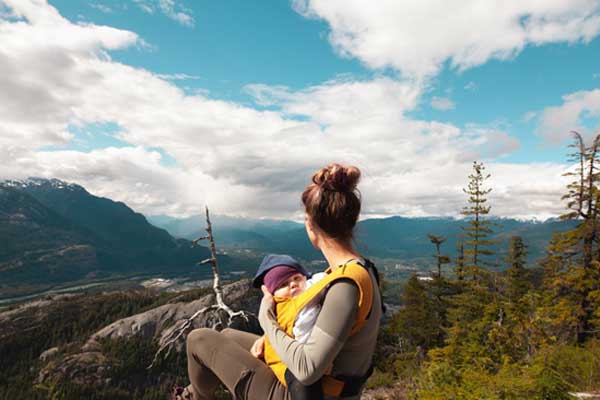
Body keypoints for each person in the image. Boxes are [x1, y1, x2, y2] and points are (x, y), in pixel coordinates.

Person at [178, 163, 383, 400]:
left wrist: (267, 318)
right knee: (228, 336)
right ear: (352, 221)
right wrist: (269, 338)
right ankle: (192, 392)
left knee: (199, 338)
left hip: (307, 393)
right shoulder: (359, 270)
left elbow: (307, 370)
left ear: (310, 225)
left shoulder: (345, 286)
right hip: (320, 386)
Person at [250, 254, 328, 400]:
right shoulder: (282, 306)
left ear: (305, 278)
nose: (293, 284)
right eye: (283, 284)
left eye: (296, 278)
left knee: (303, 384)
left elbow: (323, 279)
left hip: (295, 365)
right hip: (284, 360)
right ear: (274, 294)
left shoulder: (308, 293)